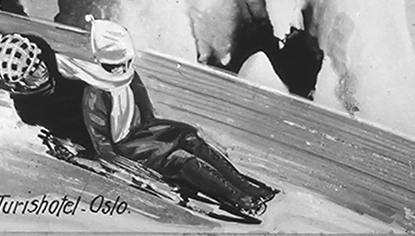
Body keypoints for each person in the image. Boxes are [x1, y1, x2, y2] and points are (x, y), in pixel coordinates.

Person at [80, 19, 277, 216]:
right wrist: (126, 167)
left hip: (145, 133)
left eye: (125, 63)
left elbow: (146, 112)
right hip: (128, 147)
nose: (121, 70)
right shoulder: (94, 94)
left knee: (190, 138)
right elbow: (102, 143)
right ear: (101, 63)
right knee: (181, 159)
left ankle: (245, 186)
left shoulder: (130, 77)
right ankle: (238, 197)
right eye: (113, 66)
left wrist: (158, 131)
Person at [0, 32, 94, 152]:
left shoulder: (47, 57)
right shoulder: (29, 108)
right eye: (33, 74)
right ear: (23, 82)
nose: (42, 72)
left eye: (39, 64)